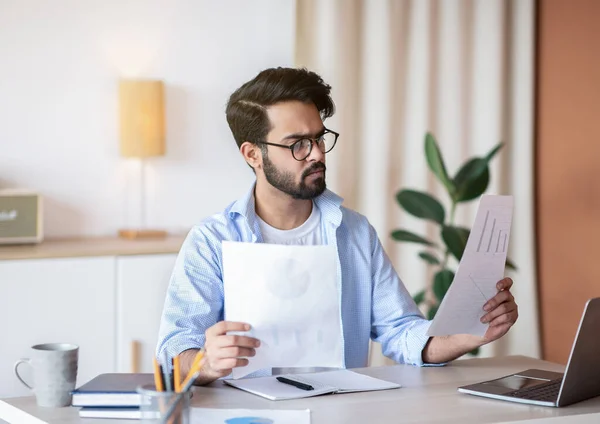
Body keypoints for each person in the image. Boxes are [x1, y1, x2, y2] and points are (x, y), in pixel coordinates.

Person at [156, 67, 519, 385]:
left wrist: (468, 335)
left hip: (343, 411)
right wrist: (205, 362)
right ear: (253, 155)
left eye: (318, 137)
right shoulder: (213, 240)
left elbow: (400, 330)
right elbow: (174, 351)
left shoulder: (354, 231)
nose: (316, 153)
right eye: (297, 144)